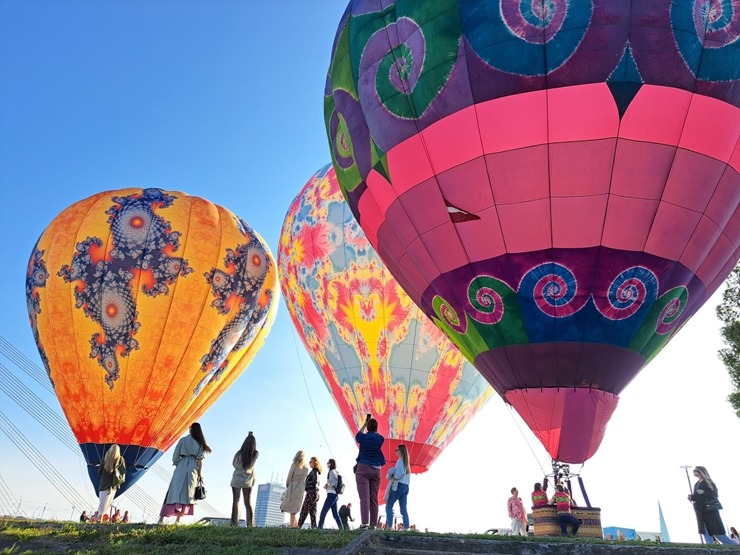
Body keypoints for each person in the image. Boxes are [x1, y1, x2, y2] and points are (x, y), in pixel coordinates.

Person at [158, 422, 212, 524]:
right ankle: (178, 520)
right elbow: (200, 460)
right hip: (192, 468)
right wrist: (200, 474)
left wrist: (179, 464)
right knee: (187, 494)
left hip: (181, 466)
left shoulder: (183, 440)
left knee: (172, 492)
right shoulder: (199, 443)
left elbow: (175, 456)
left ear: (191, 429)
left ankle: (161, 518)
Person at [688, 466, 735, 545]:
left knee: (717, 531)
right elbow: (697, 496)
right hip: (700, 510)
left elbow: (714, 495)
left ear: (701, 471)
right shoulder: (696, 484)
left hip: (710, 510)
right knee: (705, 530)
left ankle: (733, 546)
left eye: (696, 470)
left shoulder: (709, 482)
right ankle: (709, 546)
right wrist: (691, 497)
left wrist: (704, 492)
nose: (694, 472)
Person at [355, 414, 385, 529]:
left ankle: (364, 523)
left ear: (368, 427)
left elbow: (358, 436)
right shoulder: (380, 439)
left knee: (364, 498)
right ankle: (373, 525)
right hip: (376, 470)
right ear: (377, 427)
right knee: (374, 498)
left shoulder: (363, 437)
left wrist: (364, 425)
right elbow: (377, 436)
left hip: (363, 467)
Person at [230, 431, 258, 527]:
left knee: (236, 501)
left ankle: (234, 524)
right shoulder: (255, 454)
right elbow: (251, 464)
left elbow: (234, 465)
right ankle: (250, 524)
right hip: (247, 481)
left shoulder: (238, 454)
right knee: (247, 502)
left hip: (236, 480)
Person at [96, 444, 126, 522]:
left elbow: (99, 472)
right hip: (113, 485)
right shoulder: (120, 459)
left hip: (103, 484)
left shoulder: (105, 459)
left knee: (102, 503)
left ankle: (100, 518)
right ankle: (102, 519)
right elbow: (123, 471)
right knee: (108, 503)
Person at [385, 444, 410, 530]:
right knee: (403, 508)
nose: (395, 451)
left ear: (400, 451)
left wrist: (393, 475)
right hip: (406, 486)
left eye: (396, 450)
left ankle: (389, 526)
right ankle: (406, 527)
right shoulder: (407, 463)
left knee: (389, 505)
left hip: (399, 485)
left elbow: (400, 473)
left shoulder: (400, 461)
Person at [281, 450, 309, 528]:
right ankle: (295, 526)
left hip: (293, 486)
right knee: (295, 507)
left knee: (291, 508)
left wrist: (287, 484)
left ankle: (292, 526)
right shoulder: (306, 468)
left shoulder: (294, 465)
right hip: (301, 488)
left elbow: (290, 476)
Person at [318, 458, 343, 529]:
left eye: (328, 462)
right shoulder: (336, 472)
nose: (327, 464)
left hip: (331, 495)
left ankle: (319, 528)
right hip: (335, 495)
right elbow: (334, 482)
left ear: (331, 464)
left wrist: (328, 485)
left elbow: (334, 483)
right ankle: (342, 529)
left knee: (323, 512)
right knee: (335, 515)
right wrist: (328, 485)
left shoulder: (331, 472)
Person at [297, 456, 322, 528]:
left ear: (315, 463)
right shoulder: (316, 471)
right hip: (315, 493)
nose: (309, 463)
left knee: (304, 510)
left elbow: (315, 481)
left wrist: (307, 485)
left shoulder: (314, 471)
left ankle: (299, 526)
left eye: (311, 462)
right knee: (312, 511)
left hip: (311, 492)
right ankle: (314, 527)